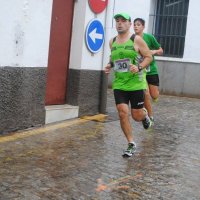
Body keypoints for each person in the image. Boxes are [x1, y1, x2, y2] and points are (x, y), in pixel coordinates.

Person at [105, 13, 153, 157]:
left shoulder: (136, 40)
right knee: (122, 112)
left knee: (136, 116)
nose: (119, 23)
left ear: (129, 24)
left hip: (136, 84)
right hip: (119, 84)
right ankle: (131, 143)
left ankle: (145, 116)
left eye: (123, 21)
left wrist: (139, 67)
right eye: (117, 21)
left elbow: (149, 57)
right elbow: (114, 58)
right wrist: (109, 65)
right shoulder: (112, 41)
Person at [133, 18, 163, 123]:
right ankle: (150, 116)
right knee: (146, 93)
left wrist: (154, 51)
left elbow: (161, 50)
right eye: (134, 25)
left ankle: (154, 95)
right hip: (140, 70)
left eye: (138, 24)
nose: (136, 26)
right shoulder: (132, 39)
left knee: (154, 95)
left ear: (143, 27)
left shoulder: (149, 37)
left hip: (151, 69)